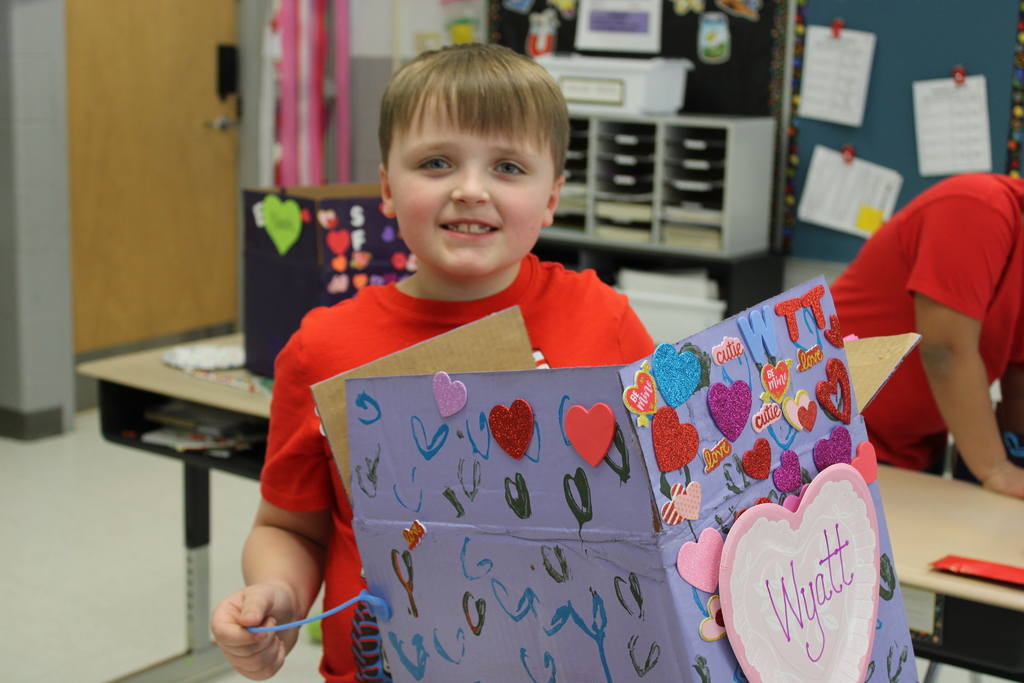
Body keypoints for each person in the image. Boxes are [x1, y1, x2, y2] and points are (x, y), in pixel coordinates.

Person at [210, 42, 655, 682]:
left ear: (552, 197)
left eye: (508, 167)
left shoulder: (602, 319)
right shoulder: (323, 348)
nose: (470, 190)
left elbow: (658, 502)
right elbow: (291, 527)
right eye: (436, 163)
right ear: (387, 188)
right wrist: (276, 594)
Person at [831, 173, 1024, 499]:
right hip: (835, 434)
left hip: (911, 451)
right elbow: (944, 350)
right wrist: (996, 469)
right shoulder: (980, 205)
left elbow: (1019, 377)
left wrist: (1015, 459)